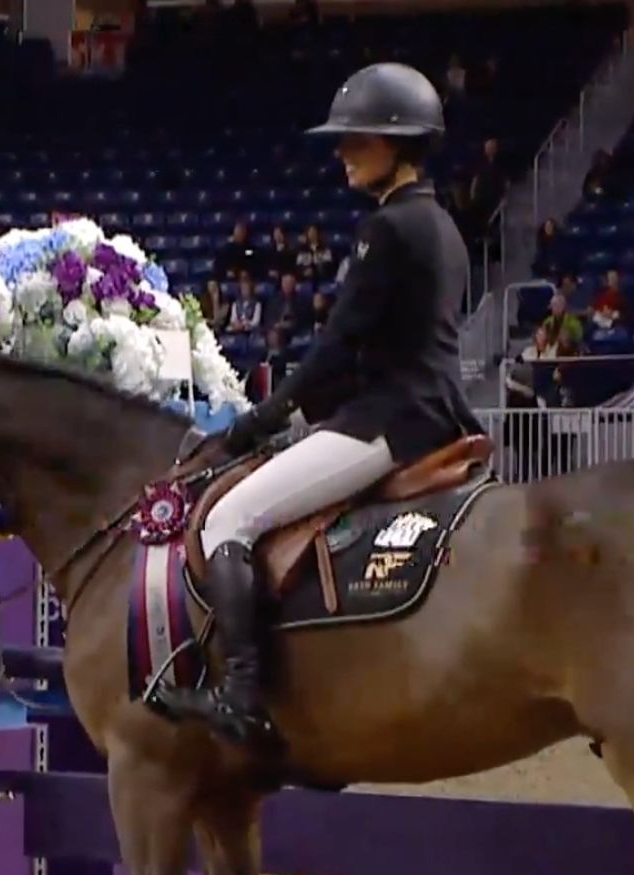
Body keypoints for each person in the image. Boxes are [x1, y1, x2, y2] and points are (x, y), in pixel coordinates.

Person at [155, 61, 487, 746]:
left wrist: (260, 422)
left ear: (397, 144)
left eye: (356, 141)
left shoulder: (387, 229)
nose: (342, 154)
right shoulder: (443, 225)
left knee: (229, 520)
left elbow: (338, 348)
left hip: (391, 421)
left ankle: (241, 696)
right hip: (428, 409)